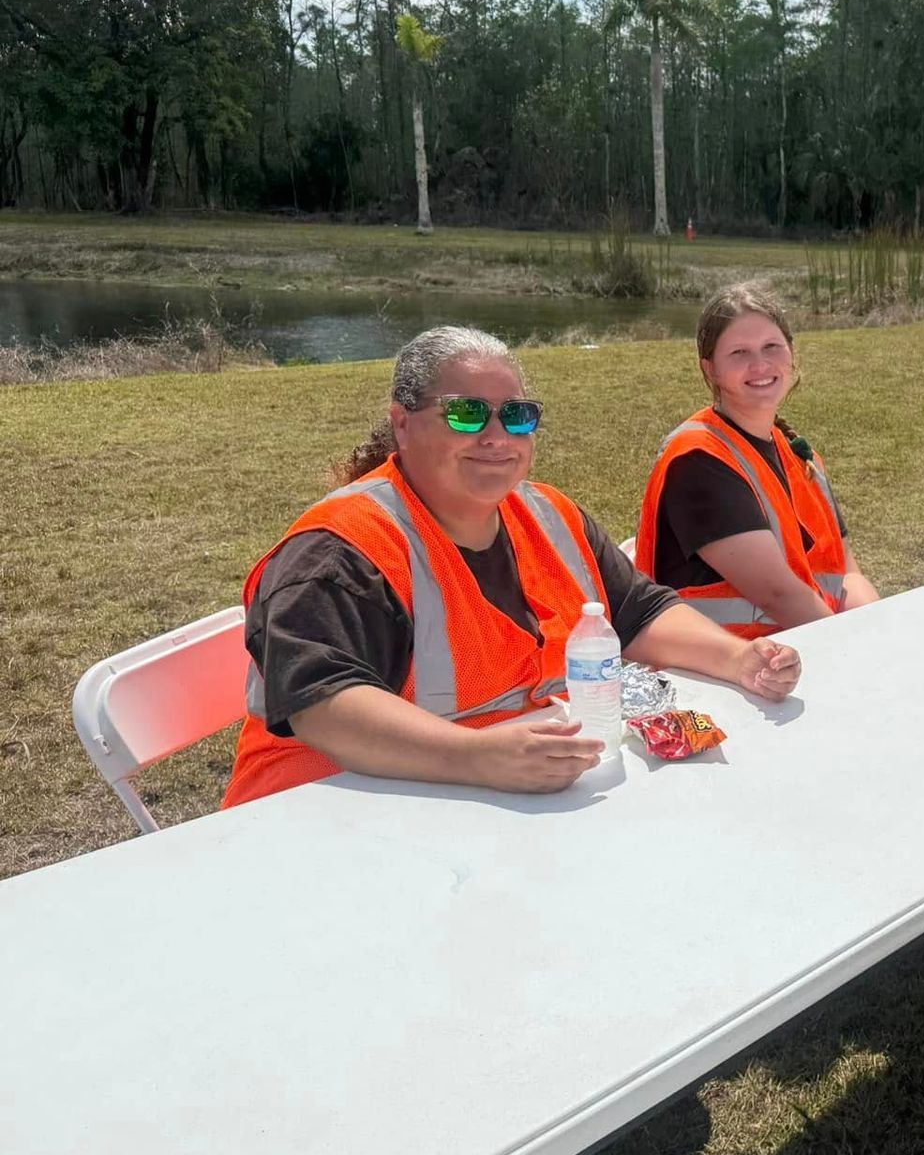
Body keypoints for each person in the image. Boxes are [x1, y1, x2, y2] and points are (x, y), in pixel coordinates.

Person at [224, 326, 801, 808]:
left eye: (517, 415)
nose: (498, 437)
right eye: (468, 414)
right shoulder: (340, 551)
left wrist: (738, 657)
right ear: (403, 422)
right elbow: (325, 709)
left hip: (486, 806)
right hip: (321, 817)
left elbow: (638, 613)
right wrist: (480, 757)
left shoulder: (547, 513)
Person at [635, 286, 880, 637]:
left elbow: (845, 572)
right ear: (711, 370)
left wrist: (875, 625)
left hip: (802, 650)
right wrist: (854, 648)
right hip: (725, 673)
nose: (760, 365)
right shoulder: (699, 459)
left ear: (791, 353)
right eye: (739, 353)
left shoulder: (798, 454)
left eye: (771, 347)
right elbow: (778, 595)